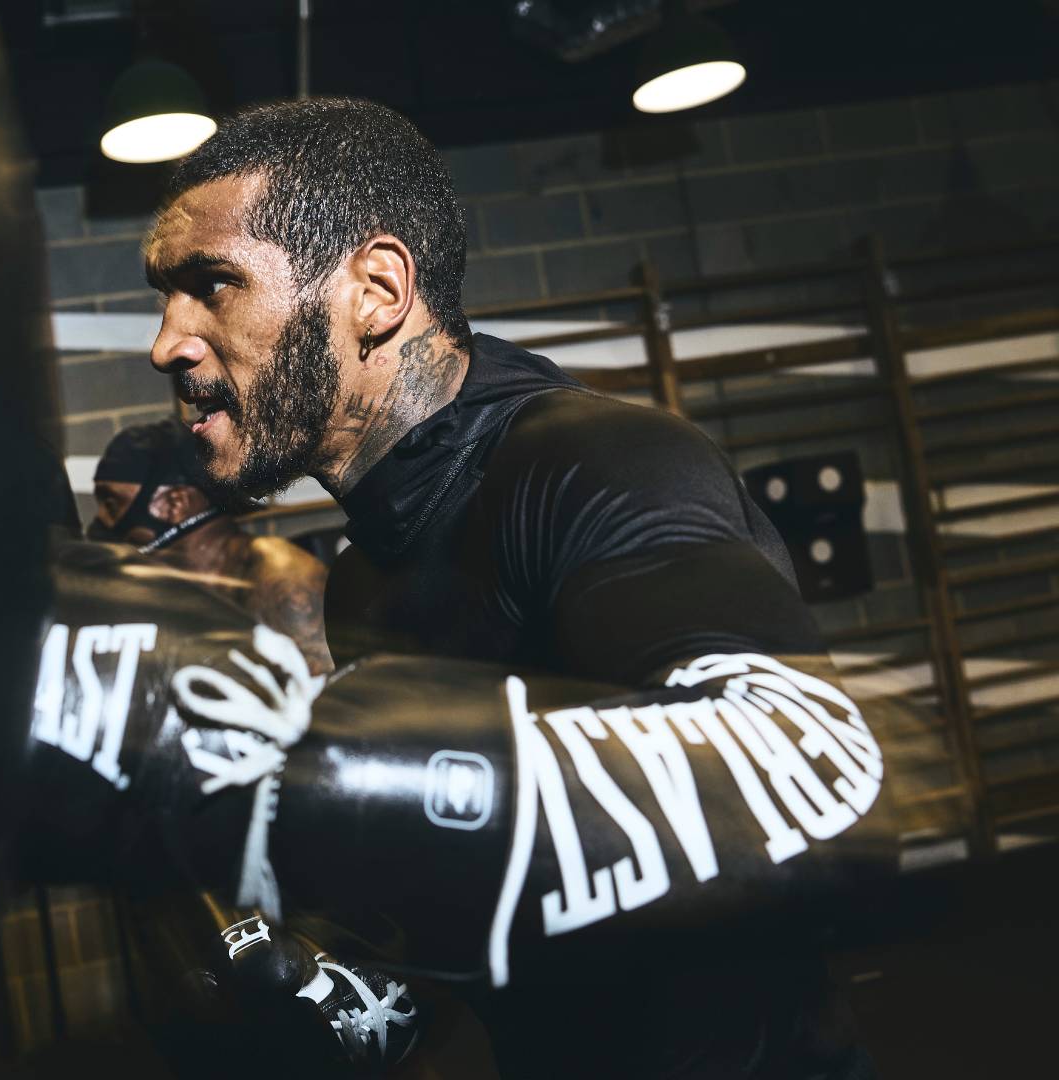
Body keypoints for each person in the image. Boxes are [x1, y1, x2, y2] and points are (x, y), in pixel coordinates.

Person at [128, 97, 878, 1078]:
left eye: (211, 285)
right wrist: (364, 984)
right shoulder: (367, 573)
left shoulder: (596, 465)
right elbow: (497, 909)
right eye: (162, 296)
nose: (168, 342)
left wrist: (401, 793)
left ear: (377, 290)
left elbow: (809, 759)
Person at [86, 419, 333, 673]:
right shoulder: (169, 588)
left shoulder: (281, 580)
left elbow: (325, 699)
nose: (102, 520)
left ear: (175, 503)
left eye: (112, 504)